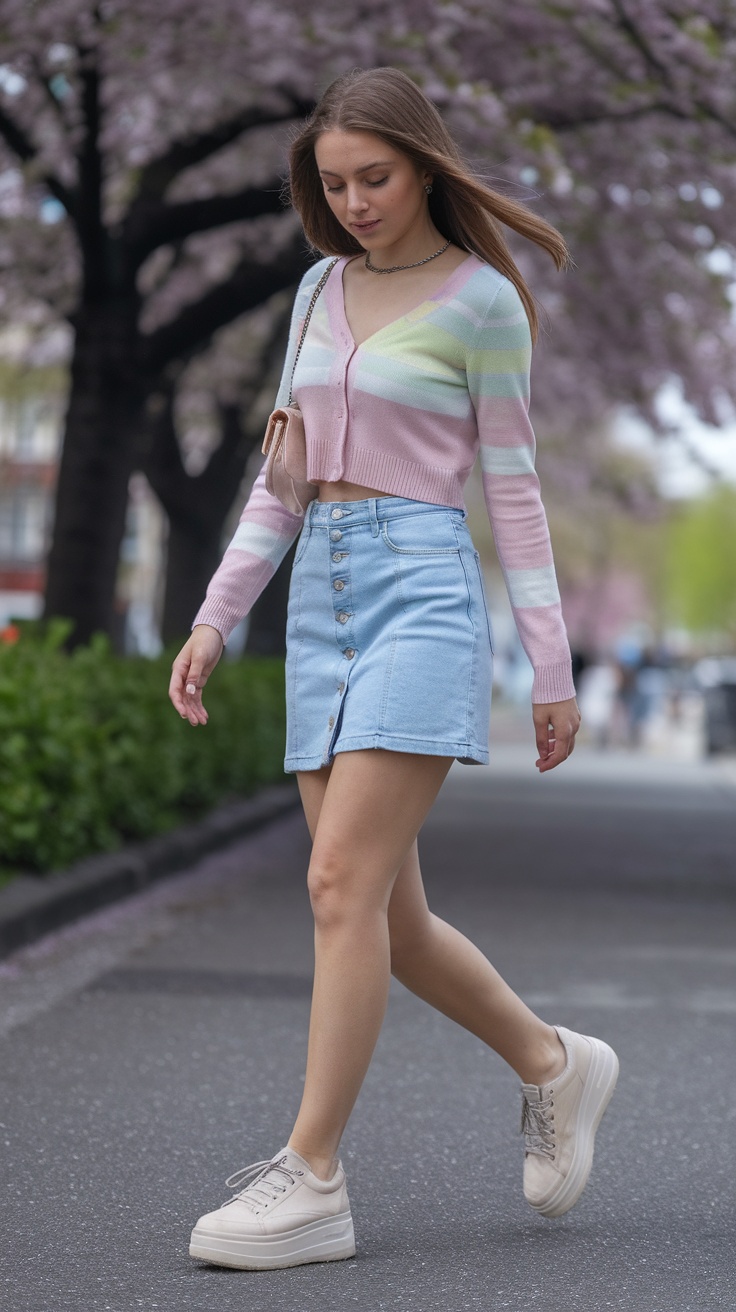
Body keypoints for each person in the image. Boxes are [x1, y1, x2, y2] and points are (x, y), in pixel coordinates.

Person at [168, 66, 619, 1272]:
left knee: (333, 886)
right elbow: (284, 479)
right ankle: (553, 1063)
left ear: (423, 165)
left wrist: (550, 669)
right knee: (388, 917)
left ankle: (311, 1174)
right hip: (318, 594)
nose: (355, 201)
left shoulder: (483, 304)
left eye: (374, 176)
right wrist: (216, 616)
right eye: (333, 183)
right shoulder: (318, 289)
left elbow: (513, 500)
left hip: (422, 590)